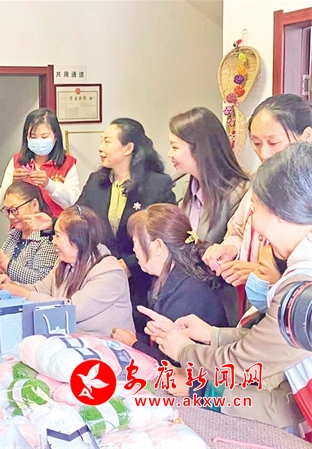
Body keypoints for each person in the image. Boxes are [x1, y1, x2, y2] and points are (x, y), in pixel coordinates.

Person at [145, 142, 312, 429]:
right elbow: (270, 351)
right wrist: (210, 335)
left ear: (279, 211)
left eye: (254, 209)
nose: (252, 223)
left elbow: (242, 363)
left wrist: (184, 350)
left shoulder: (299, 290)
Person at [202, 95, 312, 318]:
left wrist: (262, 274)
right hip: (251, 307)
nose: (264, 154)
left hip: (292, 315)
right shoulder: (259, 184)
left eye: (273, 142)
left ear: (307, 136)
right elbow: (237, 232)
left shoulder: (306, 190)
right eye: (257, 143)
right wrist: (230, 249)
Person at [77, 118, 176, 333]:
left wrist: (128, 265)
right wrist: (51, 222)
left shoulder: (156, 185)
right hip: (103, 280)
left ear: (128, 148)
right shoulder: (96, 181)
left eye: (107, 141)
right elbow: (79, 216)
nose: (100, 148)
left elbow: (165, 236)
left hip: (142, 281)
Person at [110, 204, 228, 362]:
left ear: (157, 246)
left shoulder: (189, 296)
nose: (134, 249)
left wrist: (134, 344)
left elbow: (179, 364)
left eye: (135, 242)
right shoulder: (172, 279)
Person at [0, 205, 134, 337]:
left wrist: (24, 295)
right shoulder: (64, 263)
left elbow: (72, 310)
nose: (53, 241)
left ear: (77, 241)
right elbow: (40, 288)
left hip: (108, 349)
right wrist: (12, 286)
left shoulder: (110, 273)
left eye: (58, 236)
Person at [168, 107, 250, 244]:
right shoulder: (187, 189)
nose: (169, 154)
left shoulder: (239, 194)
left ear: (199, 149)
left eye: (175, 147)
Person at [0, 108, 80, 217]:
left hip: (55, 225)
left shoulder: (67, 163)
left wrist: (50, 185)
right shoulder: (17, 161)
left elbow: (74, 203)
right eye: (33, 137)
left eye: (44, 137)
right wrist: (13, 183)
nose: (39, 141)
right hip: (22, 225)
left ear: (55, 136)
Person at [0, 181, 57, 284]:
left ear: (34, 205)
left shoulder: (49, 238)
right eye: (7, 211)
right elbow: (5, 270)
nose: (11, 216)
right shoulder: (14, 234)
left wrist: (3, 261)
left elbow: (40, 281)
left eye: (14, 210)